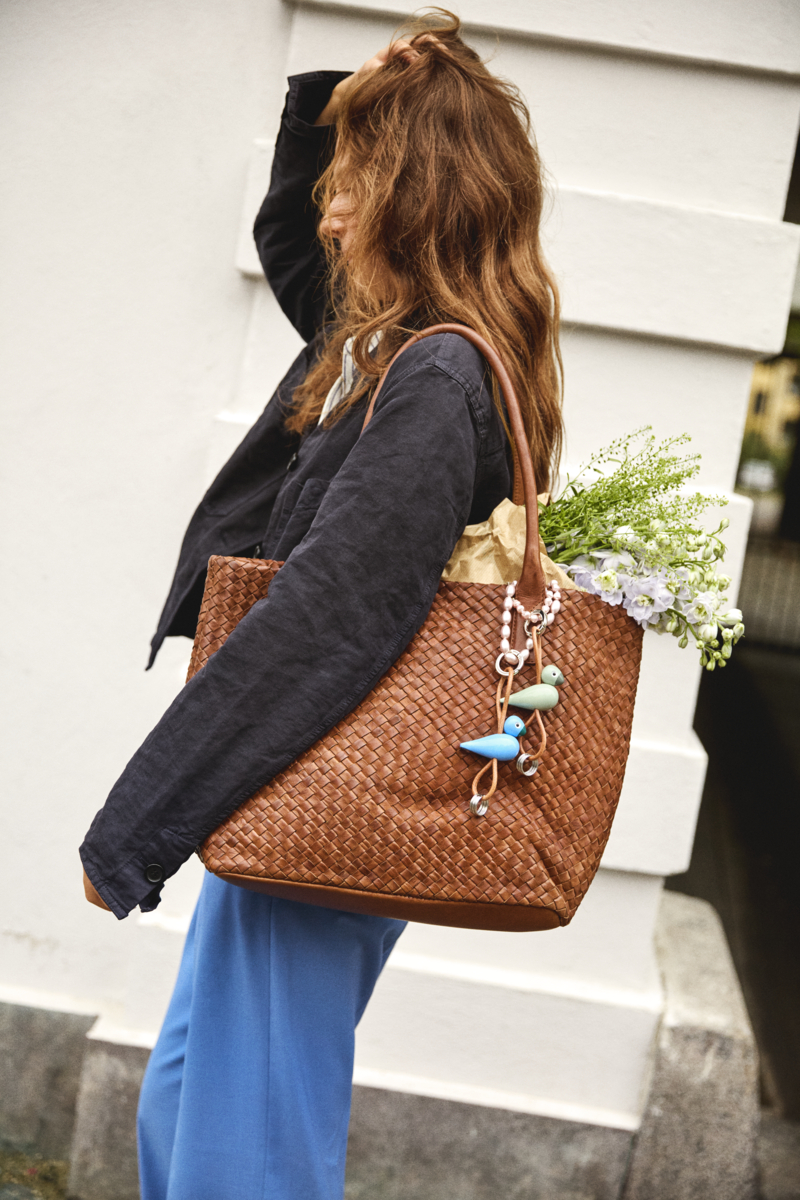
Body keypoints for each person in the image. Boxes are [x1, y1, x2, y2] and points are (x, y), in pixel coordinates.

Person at [79, 12, 563, 1199]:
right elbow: (292, 247)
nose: (330, 215)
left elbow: (330, 616)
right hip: (298, 792)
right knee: (191, 1108)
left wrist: (137, 829)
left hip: (323, 795)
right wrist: (337, 101)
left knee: (243, 1153)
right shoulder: (388, 353)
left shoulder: (433, 374)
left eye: (351, 185)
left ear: (411, 197)